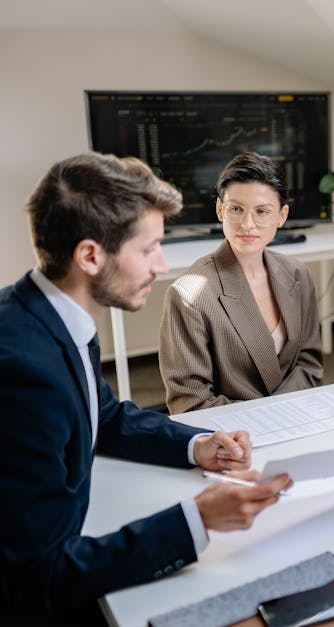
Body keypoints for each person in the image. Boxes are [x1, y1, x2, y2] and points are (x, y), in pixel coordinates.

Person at [0, 153, 293, 623]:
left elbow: (106, 417)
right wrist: (196, 519)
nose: (161, 264)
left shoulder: (44, 312)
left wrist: (198, 446)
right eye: (148, 248)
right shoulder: (25, 372)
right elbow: (41, 576)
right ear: (90, 256)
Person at [159, 152, 324, 414]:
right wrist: (268, 417)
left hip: (297, 415)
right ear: (219, 210)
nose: (248, 224)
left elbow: (310, 365)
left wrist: (284, 413)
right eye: (236, 209)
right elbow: (190, 401)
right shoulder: (189, 295)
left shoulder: (298, 274)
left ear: (281, 216)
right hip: (232, 436)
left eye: (262, 211)